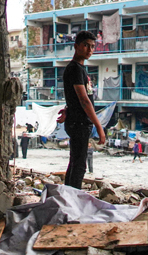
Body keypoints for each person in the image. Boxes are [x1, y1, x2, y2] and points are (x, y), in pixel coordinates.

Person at [56, 31, 106, 189]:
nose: (90, 49)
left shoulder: (79, 69)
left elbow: (75, 98)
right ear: (76, 46)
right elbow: (84, 101)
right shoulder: (75, 69)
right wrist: (99, 126)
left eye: (92, 46)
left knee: (75, 162)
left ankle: (68, 197)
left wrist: (67, 109)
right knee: (79, 166)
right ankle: (72, 200)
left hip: (77, 120)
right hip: (79, 123)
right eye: (86, 45)